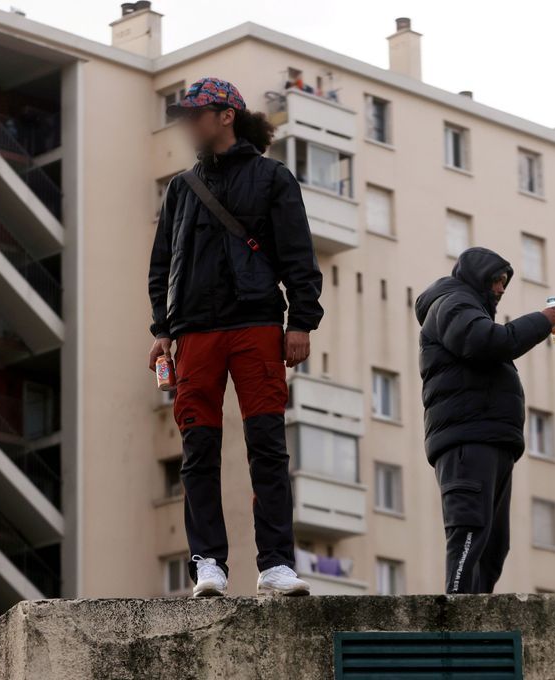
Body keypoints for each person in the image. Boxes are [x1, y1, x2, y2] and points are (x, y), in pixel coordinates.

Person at [147, 77, 323, 597]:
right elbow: (161, 266)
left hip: (257, 326)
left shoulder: (272, 178)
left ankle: (275, 565)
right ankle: (209, 565)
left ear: (226, 116)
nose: (188, 123)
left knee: (267, 447)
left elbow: (298, 256)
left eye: (196, 113)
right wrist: (162, 329)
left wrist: (302, 323)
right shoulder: (181, 188)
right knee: (198, 449)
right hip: (195, 333)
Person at [414, 247, 555, 594]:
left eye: (504, 283)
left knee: (494, 546)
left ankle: (477, 625)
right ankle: (457, 624)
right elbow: (487, 342)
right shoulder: (452, 304)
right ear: (477, 276)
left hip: (489, 439)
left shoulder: (467, 309)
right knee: (469, 532)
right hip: (469, 442)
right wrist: (544, 320)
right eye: (496, 280)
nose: (500, 289)